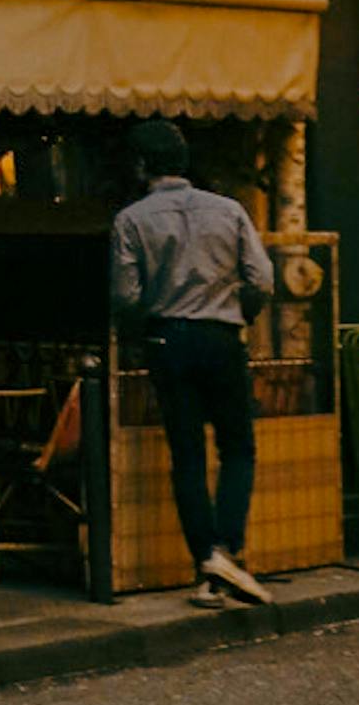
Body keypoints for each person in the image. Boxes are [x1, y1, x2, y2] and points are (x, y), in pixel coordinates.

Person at [109, 123, 275, 606]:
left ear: (141, 165)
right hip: (222, 335)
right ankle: (225, 552)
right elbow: (262, 279)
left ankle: (207, 562)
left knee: (187, 455)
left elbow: (125, 296)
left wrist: (149, 322)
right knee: (238, 446)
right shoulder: (230, 210)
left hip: (167, 338)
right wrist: (237, 313)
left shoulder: (131, 220)